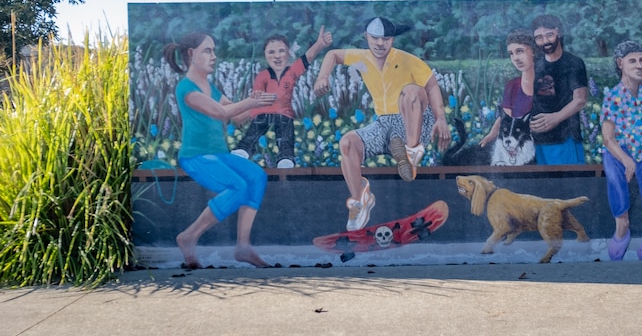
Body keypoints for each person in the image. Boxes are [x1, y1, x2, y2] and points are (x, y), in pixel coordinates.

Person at [313, 16, 451, 231]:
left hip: (413, 122)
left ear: (392, 40)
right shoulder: (362, 57)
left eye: (385, 39)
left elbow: (432, 87)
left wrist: (441, 119)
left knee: (411, 91)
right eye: (375, 38)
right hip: (383, 125)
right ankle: (360, 200)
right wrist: (323, 76)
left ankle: (411, 153)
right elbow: (333, 54)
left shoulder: (409, 60)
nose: (380, 44)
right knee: (348, 143)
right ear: (366, 37)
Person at [164, 32, 276, 269]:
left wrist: (262, 102)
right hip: (196, 157)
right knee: (238, 186)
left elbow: (237, 117)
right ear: (192, 54)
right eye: (208, 50)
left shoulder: (210, 88)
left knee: (256, 176)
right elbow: (222, 113)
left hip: (219, 155)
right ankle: (189, 236)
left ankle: (243, 247)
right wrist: (250, 102)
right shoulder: (187, 89)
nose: (214, 56)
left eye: (214, 50)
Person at [231, 26, 332, 168]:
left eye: (281, 51)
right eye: (271, 52)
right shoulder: (263, 76)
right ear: (265, 54)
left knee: (285, 134)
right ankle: (243, 150)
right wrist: (257, 97)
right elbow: (257, 94)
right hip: (263, 112)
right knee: (255, 129)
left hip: (283, 113)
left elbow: (307, 58)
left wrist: (320, 44)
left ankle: (285, 157)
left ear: (288, 54)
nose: (277, 56)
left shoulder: (292, 71)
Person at [601, 41, 642, 261]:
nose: (639, 66)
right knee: (612, 163)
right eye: (632, 61)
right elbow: (608, 138)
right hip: (621, 148)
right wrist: (626, 159)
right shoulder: (613, 96)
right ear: (620, 63)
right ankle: (622, 225)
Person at [529, 14, 590, 164]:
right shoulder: (535, 64)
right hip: (538, 139)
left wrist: (555, 118)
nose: (545, 41)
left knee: (570, 184)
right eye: (539, 37)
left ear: (558, 32)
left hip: (565, 136)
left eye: (549, 35)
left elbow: (580, 99)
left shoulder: (573, 63)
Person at [479, 28, 537, 148]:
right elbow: (505, 118)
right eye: (511, 54)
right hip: (520, 145)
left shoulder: (546, 83)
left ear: (534, 51)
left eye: (520, 51)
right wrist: (491, 134)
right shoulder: (512, 86)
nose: (515, 58)